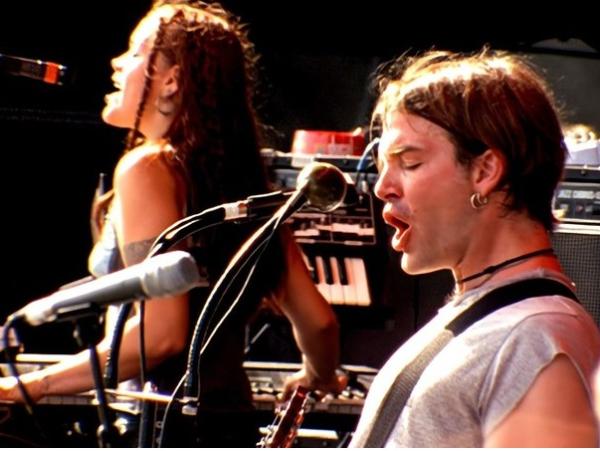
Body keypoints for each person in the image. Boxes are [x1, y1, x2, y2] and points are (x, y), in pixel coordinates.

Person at [0, 0, 344, 446]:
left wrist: (33, 386)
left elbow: (160, 336)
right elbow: (319, 323)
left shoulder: (147, 169)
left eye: (134, 52)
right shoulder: (241, 182)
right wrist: (315, 376)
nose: (116, 64)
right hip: (230, 424)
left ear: (172, 81)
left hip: (160, 427)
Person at [350, 49, 600, 447]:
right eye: (382, 166)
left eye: (409, 163)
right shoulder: (503, 322)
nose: (383, 188)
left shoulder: (534, 338)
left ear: (485, 172)